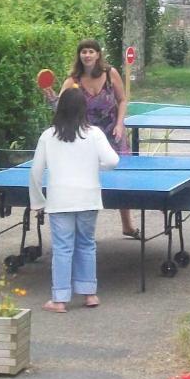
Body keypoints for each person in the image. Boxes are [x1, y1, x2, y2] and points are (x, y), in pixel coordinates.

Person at [29, 88, 120, 313]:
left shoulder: (48, 136)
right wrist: (95, 166)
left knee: (62, 248)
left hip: (60, 200)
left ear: (60, 108)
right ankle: (90, 294)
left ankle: (59, 300)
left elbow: (35, 172)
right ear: (84, 109)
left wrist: (38, 201)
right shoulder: (95, 134)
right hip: (89, 197)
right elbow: (113, 161)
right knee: (86, 245)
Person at [45, 38, 139, 238]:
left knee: (122, 177)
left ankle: (127, 225)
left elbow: (122, 100)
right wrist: (52, 98)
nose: (87, 55)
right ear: (79, 56)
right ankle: (84, 227)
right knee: (86, 177)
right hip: (86, 137)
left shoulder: (110, 73)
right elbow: (62, 109)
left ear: (98, 55)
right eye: (83, 52)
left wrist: (120, 123)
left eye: (90, 51)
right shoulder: (73, 81)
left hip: (114, 132)